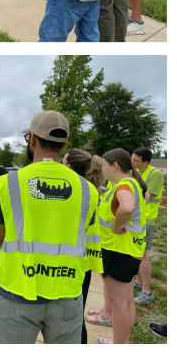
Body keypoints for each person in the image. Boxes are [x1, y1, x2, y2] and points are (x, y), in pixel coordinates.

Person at [0, 111, 93, 344]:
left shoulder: (5, 184)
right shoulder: (88, 190)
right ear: (64, 144)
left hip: (18, 291)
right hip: (67, 294)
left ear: (32, 138)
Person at [88, 149, 146, 344]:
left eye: (104, 165)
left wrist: (115, 227)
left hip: (118, 250)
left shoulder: (124, 185)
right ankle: (122, 342)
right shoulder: (126, 183)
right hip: (127, 250)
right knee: (127, 302)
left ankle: (119, 345)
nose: (102, 169)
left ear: (114, 166)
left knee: (119, 304)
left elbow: (127, 207)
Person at [60, 148, 105, 345]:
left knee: (70, 321)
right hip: (85, 262)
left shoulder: (71, 194)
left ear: (69, 168)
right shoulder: (91, 191)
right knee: (77, 317)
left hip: (71, 263)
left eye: (62, 163)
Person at [129, 147, 162, 305]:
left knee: (143, 255)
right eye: (132, 158)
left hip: (147, 219)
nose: (132, 161)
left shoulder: (155, 174)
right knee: (138, 252)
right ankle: (138, 283)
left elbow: (147, 197)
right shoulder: (135, 172)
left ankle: (146, 292)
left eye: (135, 160)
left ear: (146, 162)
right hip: (137, 218)